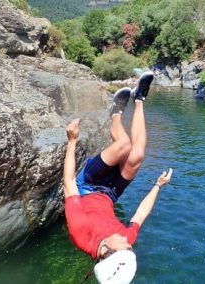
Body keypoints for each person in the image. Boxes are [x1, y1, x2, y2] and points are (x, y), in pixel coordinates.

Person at [62, 71, 173, 283]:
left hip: (88, 186)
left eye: (124, 245)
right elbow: (141, 214)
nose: (126, 238)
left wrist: (72, 142)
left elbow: (68, 183)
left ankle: (115, 113)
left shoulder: (80, 234)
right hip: (111, 193)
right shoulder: (124, 244)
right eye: (129, 246)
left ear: (105, 252)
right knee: (138, 154)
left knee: (124, 145)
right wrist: (158, 186)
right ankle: (139, 98)